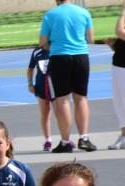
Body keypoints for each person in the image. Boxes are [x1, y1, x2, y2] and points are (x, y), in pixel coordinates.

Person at [39, 0, 96, 153]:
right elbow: (90, 38)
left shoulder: (50, 14)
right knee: (81, 97)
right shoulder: (83, 12)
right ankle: (84, 137)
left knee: (63, 99)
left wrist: (52, 43)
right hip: (81, 56)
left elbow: (42, 41)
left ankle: (65, 141)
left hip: (60, 57)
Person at [27, 43, 55, 152]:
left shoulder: (58, 49)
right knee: (45, 114)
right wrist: (30, 84)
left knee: (60, 114)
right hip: (41, 87)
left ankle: (65, 139)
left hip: (56, 87)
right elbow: (30, 69)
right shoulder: (37, 52)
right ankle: (48, 140)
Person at [109, 9, 125, 150]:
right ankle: (123, 135)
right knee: (119, 103)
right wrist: (113, 45)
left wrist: (123, 13)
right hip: (118, 68)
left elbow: (120, 31)